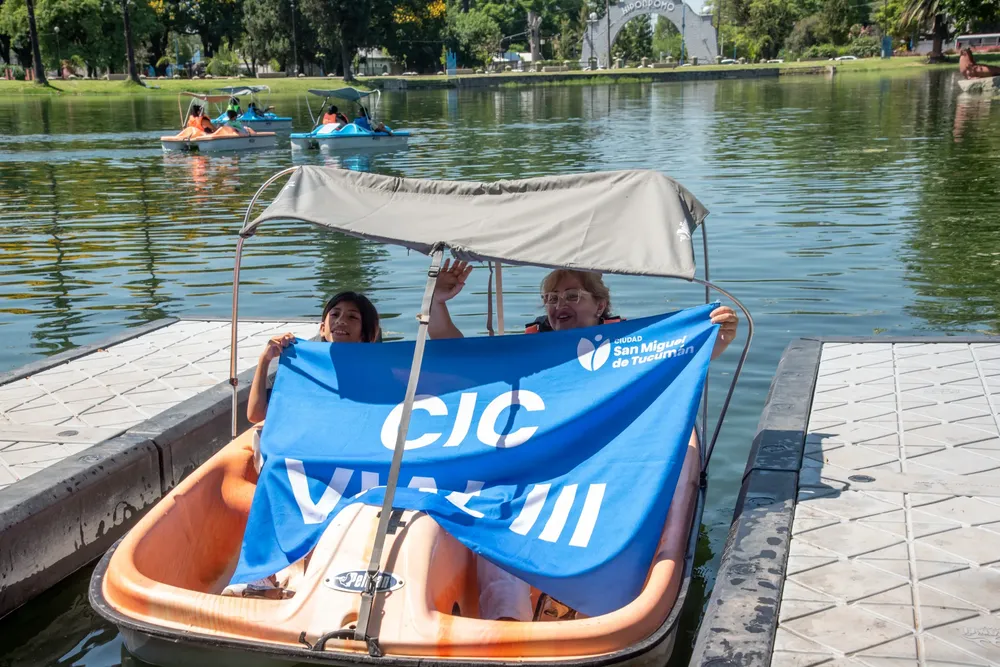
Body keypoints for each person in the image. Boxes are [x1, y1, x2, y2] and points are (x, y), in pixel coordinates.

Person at [427, 261, 739, 621]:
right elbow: (457, 354)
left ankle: (597, 609)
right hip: (542, 470)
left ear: (600, 305)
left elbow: (680, 360)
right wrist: (437, 302)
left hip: (609, 467)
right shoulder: (530, 352)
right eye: (551, 298)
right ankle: (507, 621)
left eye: (572, 296)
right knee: (498, 520)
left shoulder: (630, 347)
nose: (559, 305)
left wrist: (717, 337)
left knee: (612, 518)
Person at [247, 291, 381, 424]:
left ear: (365, 334)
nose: (340, 321)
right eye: (335, 314)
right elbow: (256, 415)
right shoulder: (305, 370)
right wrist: (264, 360)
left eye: (352, 317)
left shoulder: (378, 374)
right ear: (322, 328)